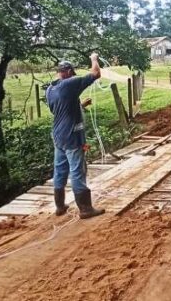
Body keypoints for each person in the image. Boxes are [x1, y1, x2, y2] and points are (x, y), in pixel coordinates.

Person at [46, 54, 105, 219]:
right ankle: (85, 209)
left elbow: (59, 109)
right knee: (77, 171)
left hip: (58, 136)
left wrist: (81, 105)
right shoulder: (69, 83)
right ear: (70, 71)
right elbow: (95, 73)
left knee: (60, 170)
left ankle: (60, 206)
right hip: (72, 136)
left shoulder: (50, 89)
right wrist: (94, 58)